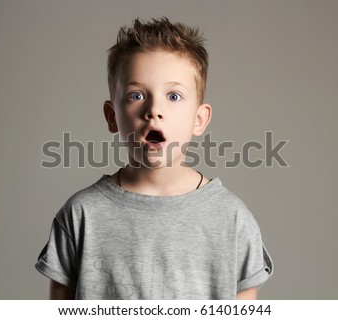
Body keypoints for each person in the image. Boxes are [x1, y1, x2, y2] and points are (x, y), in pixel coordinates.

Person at [35, 17, 273, 300]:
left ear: (199, 119)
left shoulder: (232, 220)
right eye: (136, 95)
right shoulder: (81, 215)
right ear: (113, 117)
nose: (154, 110)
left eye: (173, 95)